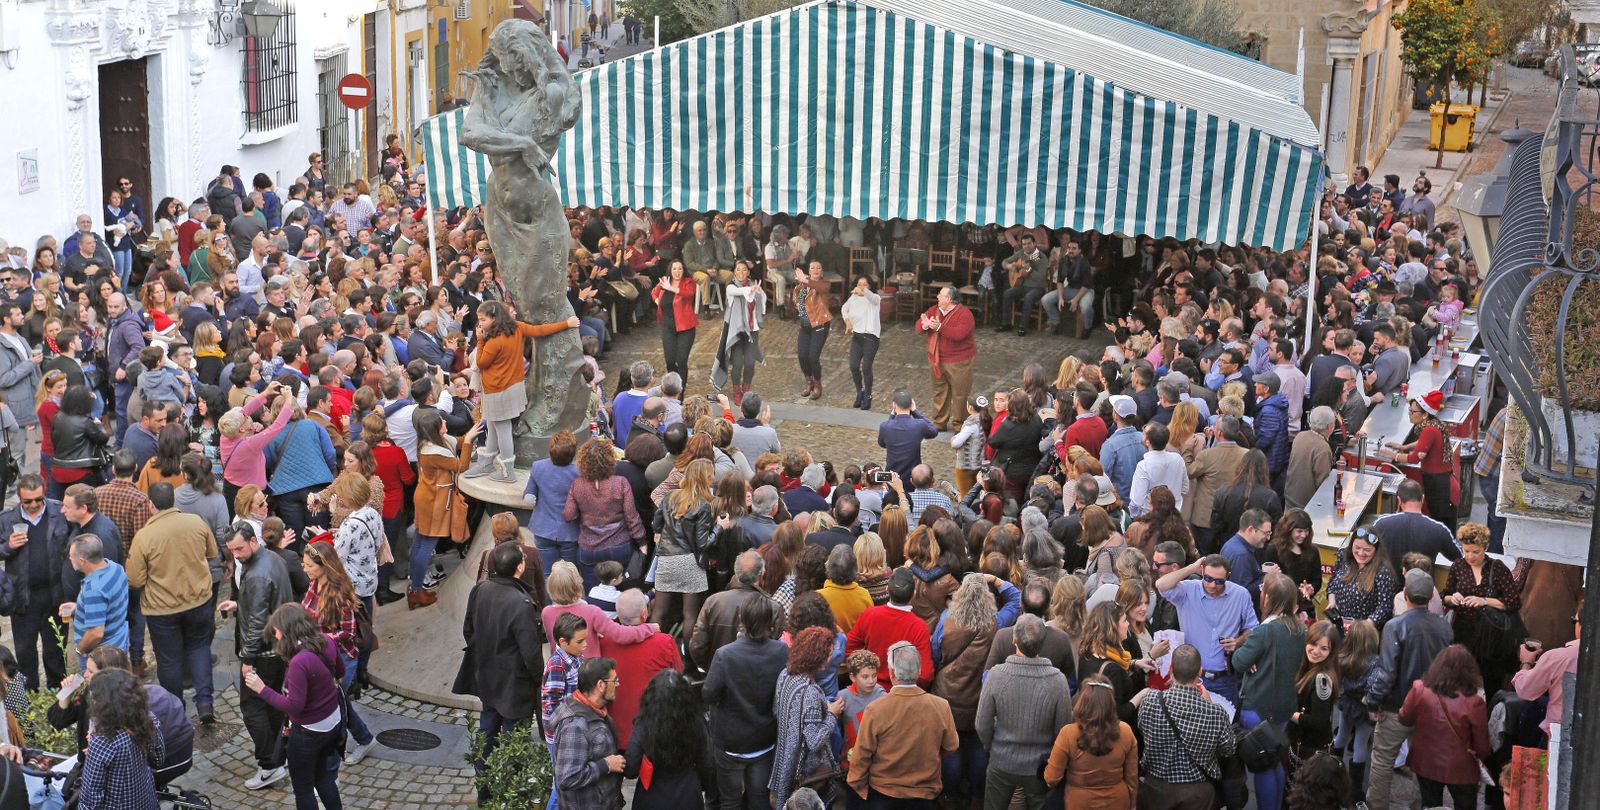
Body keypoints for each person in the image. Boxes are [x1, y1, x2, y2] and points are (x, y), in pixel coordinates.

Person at [455, 542, 546, 798]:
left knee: (487, 731)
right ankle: (509, 793)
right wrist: (539, 679)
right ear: (520, 567)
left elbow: (468, 629)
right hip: (514, 685)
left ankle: (485, 790)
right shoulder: (521, 603)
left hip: (486, 676)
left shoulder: (481, 589)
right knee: (514, 741)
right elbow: (531, 652)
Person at [125, 482, 218, 720]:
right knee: (199, 649)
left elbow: (135, 579)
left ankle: (175, 710)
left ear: (151, 505)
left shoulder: (144, 537)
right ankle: (206, 702)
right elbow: (212, 553)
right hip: (198, 600)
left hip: (161, 609)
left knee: (169, 660)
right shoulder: (195, 522)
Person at [1363, 568, 1454, 810]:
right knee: (1422, 764)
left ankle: (1376, 807)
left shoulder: (1395, 626)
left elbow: (1387, 674)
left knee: (1382, 760)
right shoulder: (1444, 628)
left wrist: (1373, 702)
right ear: (1431, 597)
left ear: (1405, 594)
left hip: (1396, 708)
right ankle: (1418, 805)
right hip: (1430, 709)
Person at [241, 603, 346, 810]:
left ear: (288, 631)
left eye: (277, 631)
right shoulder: (326, 641)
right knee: (323, 776)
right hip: (332, 723)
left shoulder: (299, 662)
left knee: (304, 789)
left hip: (309, 732)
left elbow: (294, 707)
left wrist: (261, 688)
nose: (276, 636)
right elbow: (340, 670)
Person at [465, 301, 579, 482]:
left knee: (502, 429)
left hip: (497, 391)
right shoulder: (516, 327)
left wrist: (480, 340)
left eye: (483, 319)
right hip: (513, 387)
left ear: (494, 318)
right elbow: (540, 331)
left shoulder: (493, 341)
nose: (480, 323)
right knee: (494, 427)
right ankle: (486, 463)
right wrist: (566, 324)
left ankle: (507, 472)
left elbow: (481, 363)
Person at [218, 521, 295, 790]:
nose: (236, 555)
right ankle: (278, 756)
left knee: (252, 708)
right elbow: (264, 604)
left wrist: (247, 660)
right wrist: (240, 605)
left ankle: (269, 765)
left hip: (263, 654)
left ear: (253, 541)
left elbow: (257, 621)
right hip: (278, 648)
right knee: (273, 703)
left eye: (239, 549)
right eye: (231, 551)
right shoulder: (272, 558)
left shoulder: (257, 574)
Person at [847, 639, 961, 808]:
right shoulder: (941, 706)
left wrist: (857, 786)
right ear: (919, 670)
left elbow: (862, 755)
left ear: (892, 673)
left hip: (883, 793)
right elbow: (951, 746)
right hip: (925, 793)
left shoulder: (876, 709)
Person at [976, 614, 1072, 810]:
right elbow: (1062, 729)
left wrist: (992, 747)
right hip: (1040, 766)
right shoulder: (1058, 681)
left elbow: (981, 724)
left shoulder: (995, 675)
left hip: (1002, 761)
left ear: (1014, 640)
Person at [703, 594, 788, 810]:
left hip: (731, 741)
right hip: (764, 739)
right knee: (759, 799)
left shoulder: (725, 655)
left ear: (743, 619)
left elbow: (709, 694)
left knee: (730, 801)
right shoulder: (781, 651)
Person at [1232, 573, 1306, 810]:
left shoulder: (1265, 631)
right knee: (1275, 762)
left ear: (1269, 598)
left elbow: (1238, 662)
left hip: (1259, 706)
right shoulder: (1299, 628)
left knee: (1263, 763)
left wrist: (1248, 654)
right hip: (1285, 707)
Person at [298, 542, 376, 765]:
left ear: (324, 566)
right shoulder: (314, 584)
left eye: (309, 565)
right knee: (339, 703)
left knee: (334, 704)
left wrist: (324, 638)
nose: (305, 569)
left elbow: (348, 632)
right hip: (319, 656)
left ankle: (340, 748)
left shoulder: (339, 593)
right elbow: (305, 611)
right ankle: (364, 739)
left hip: (341, 658)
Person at [1135, 644, 1236, 810]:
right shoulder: (1215, 713)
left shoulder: (1150, 701)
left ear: (1171, 669)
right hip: (1198, 795)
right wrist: (1209, 704)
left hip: (1155, 790)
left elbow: (1142, 729)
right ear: (1200, 672)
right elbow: (1229, 750)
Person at [0, 474, 73, 690]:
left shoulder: (59, 513)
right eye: (27, 501)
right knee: (25, 653)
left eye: (38, 500)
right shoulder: (6, 520)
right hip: (23, 600)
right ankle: (30, 697)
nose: (33, 505)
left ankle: (58, 697)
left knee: (56, 652)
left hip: (55, 596)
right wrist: (7, 547)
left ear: (44, 494)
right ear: (20, 499)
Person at [1154, 553, 1258, 705]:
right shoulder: (1188, 590)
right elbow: (1161, 585)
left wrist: (1238, 641)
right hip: (1191, 679)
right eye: (1208, 578)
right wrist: (1192, 568)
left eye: (1219, 581)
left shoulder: (1240, 595)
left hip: (1224, 679)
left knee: (1223, 724)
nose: (1212, 585)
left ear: (1228, 576)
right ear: (1202, 572)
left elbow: (1253, 628)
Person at [1397, 645, 1490, 810]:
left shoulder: (1420, 689)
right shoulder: (1474, 702)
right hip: (1461, 767)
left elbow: (1404, 718)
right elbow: (1482, 745)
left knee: (1431, 805)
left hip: (1426, 762)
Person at [409, 411, 482, 608]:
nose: (444, 421)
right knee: (425, 546)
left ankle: (414, 588)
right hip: (433, 502)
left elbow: (456, 442)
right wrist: (468, 441)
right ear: (435, 429)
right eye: (441, 421)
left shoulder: (435, 441)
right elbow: (461, 465)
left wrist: (469, 435)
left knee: (419, 543)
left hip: (428, 497)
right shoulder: (432, 451)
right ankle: (416, 591)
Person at [596, 588, 681, 749]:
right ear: (644, 614)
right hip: (653, 733)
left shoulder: (603, 641)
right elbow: (678, 677)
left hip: (614, 733)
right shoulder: (664, 642)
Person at [1443, 522, 1521, 694]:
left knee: (1492, 680)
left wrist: (1485, 601)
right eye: (1466, 551)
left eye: (1475, 552)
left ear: (1485, 548)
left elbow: (1513, 602)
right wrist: (1453, 598)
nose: (1470, 556)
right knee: (1459, 679)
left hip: (1490, 634)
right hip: (1463, 631)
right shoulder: (1458, 566)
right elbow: (1446, 595)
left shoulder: (1498, 568)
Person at [770, 626, 843, 808]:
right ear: (816, 657)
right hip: (804, 772)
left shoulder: (785, 674)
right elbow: (814, 740)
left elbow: (777, 711)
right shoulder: (810, 691)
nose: (830, 658)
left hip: (783, 761)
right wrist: (832, 714)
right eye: (828, 654)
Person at [73, 668, 165, 810]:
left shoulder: (103, 741)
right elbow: (158, 760)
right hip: (147, 801)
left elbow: (90, 798)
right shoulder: (148, 719)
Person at [1043, 673, 1138, 810]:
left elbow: (1051, 779)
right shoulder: (1126, 731)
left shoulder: (1068, 733)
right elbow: (1132, 778)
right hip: (1117, 802)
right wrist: (1133, 804)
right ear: (1111, 702)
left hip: (1079, 802)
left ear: (1082, 701)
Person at [563, 438, 646, 593]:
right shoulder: (620, 483)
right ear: (610, 459)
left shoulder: (577, 484)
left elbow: (569, 515)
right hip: (619, 547)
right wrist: (642, 542)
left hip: (589, 548)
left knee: (593, 595)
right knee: (621, 595)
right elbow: (632, 517)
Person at [625, 669, 713, 809]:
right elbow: (707, 764)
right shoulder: (697, 723)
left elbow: (631, 769)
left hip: (651, 797)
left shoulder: (643, 723)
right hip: (688, 794)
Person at [551, 657, 626, 810]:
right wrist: (606, 765)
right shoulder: (575, 725)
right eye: (615, 681)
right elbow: (567, 778)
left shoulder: (596, 710)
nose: (618, 685)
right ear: (600, 685)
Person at [1384, 389, 1458, 528]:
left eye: (1413, 412)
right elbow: (1422, 444)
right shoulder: (1434, 424)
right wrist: (1404, 447)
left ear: (1425, 414)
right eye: (1409, 411)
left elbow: (1414, 459)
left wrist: (1393, 455)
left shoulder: (1429, 430)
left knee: (1442, 525)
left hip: (1440, 486)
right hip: (1442, 482)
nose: (1410, 415)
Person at [1513, 597, 1582, 738]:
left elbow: (1525, 689)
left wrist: (1526, 663)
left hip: (1560, 736)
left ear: (1581, 625)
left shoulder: (1558, 657)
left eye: (1574, 621)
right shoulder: (1558, 658)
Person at [61, 533, 128, 666]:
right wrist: (79, 607)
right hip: (119, 639)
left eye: (71, 556)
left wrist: (79, 650)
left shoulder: (94, 589)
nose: (69, 558)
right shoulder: (114, 567)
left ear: (82, 560)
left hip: (101, 656)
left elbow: (96, 633)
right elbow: (109, 603)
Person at [917, 286, 977, 431]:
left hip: (959, 361)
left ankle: (960, 424)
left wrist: (939, 327)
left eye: (940, 295)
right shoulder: (934, 310)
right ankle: (939, 422)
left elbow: (959, 335)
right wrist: (923, 325)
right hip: (937, 359)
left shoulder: (965, 314)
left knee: (960, 393)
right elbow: (919, 326)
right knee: (939, 391)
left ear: (949, 299)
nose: (937, 297)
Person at [1371, 478, 1460, 570]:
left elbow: (1367, 550)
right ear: (1422, 499)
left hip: (1388, 583)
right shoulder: (1439, 529)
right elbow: (1459, 556)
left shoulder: (1381, 524)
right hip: (1422, 583)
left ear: (1399, 500)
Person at [1325, 528, 1399, 629]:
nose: (1361, 553)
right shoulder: (1343, 556)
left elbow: (1385, 607)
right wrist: (1332, 601)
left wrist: (1364, 626)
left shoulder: (1383, 571)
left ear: (1376, 550)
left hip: (1364, 633)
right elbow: (1332, 582)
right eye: (1357, 547)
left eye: (1367, 550)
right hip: (1338, 626)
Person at [877, 389, 937, 484]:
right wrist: (915, 412)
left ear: (894, 405)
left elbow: (882, 443)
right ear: (911, 405)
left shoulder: (885, 426)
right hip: (912, 477)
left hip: (892, 477)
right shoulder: (919, 425)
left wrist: (892, 416)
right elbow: (933, 431)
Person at [651, 261, 698, 381]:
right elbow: (653, 293)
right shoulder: (664, 281)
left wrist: (671, 288)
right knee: (670, 361)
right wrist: (658, 302)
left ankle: (680, 392)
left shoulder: (689, 282)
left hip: (686, 328)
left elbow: (688, 293)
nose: (677, 272)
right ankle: (673, 388)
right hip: (668, 327)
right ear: (670, 271)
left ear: (683, 270)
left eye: (680, 269)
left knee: (681, 360)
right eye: (674, 269)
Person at [793, 260, 834, 399]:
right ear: (809, 271)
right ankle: (808, 381)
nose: (816, 269)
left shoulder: (824, 284)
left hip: (819, 325)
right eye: (812, 267)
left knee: (813, 357)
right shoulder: (803, 285)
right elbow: (797, 296)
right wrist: (797, 302)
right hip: (805, 326)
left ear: (821, 272)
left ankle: (817, 384)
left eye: (818, 267)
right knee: (802, 356)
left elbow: (821, 289)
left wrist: (806, 279)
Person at [1127, 423, 1186, 517]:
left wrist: (1132, 517)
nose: (1143, 431)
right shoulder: (1178, 459)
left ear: (1148, 442)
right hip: (1174, 516)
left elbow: (1137, 501)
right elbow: (1185, 488)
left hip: (1151, 518)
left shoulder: (1143, 466)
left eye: (1144, 432)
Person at [842, 276, 882, 410]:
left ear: (870, 286)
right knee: (853, 366)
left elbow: (873, 298)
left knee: (866, 367)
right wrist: (847, 320)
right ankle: (860, 391)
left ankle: (868, 395)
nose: (862, 286)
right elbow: (844, 308)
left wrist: (864, 292)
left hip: (870, 338)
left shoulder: (874, 298)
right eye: (859, 284)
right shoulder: (853, 298)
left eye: (865, 284)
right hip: (857, 337)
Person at [1283, 406, 1335, 509]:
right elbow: (1322, 483)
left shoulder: (1300, 436)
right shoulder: (1322, 448)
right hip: (1306, 506)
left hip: (1289, 498)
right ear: (1329, 427)